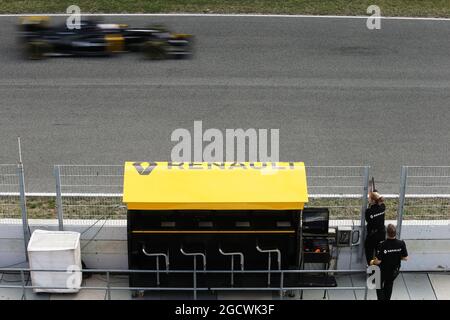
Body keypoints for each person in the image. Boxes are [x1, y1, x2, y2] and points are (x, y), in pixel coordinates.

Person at [370, 224, 408, 300]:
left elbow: (378, 262)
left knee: (378, 284)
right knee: (389, 284)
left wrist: (372, 262)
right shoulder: (401, 243)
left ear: (387, 233)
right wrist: (395, 256)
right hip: (394, 270)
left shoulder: (382, 244)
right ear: (395, 233)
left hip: (383, 270)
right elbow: (405, 258)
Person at [364, 190, 386, 265]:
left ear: (373, 201)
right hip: (381, 235)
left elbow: (368, 220)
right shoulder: (383, 207)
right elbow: (380, 203)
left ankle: (372, 273)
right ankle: (378, 272)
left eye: (369, 198)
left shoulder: (368, 211)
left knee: (369, 254)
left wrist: (370, 205)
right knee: (379, 256)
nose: (368, 199)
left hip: (372, 236)